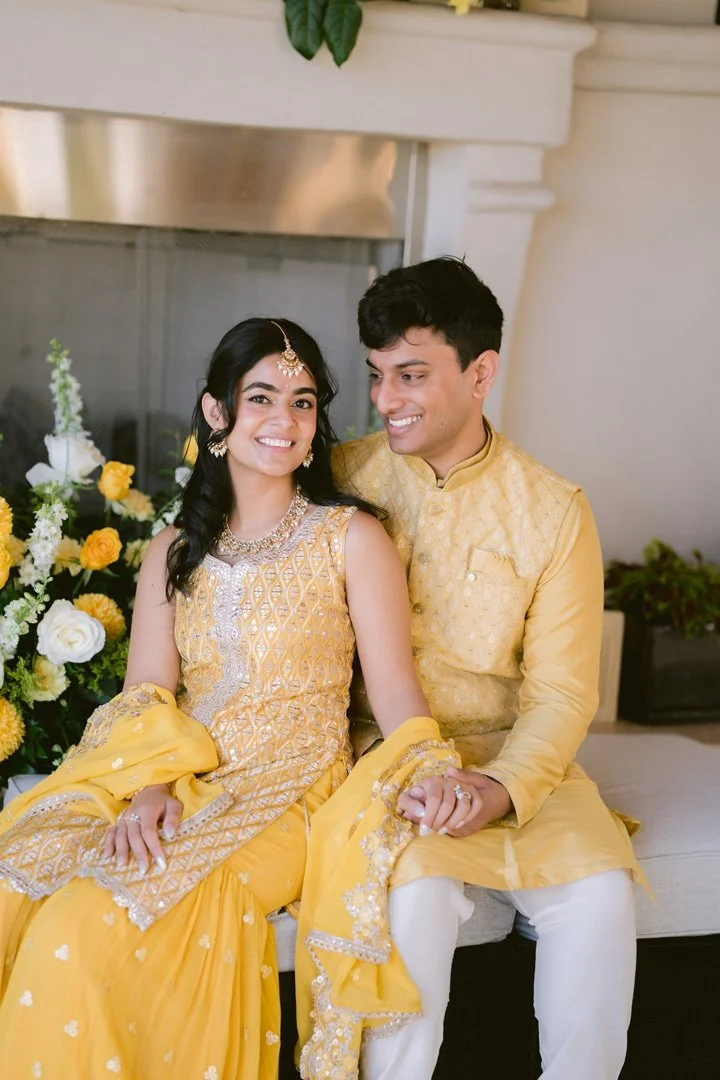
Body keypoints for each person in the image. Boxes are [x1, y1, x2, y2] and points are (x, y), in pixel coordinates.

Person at [0, 317, 453, 1079]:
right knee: (18, 875)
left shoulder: (350, 538)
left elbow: (398, 692)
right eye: (262, 397)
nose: (285, 420)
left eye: (303, 402)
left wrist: (434, 770)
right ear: (217, 411)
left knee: (88, 917)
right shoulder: (175, 549)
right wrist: (147, 787)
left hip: (290, 787)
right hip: (176, 774)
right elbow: (145, 694)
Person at [324, 257, 644, 1080]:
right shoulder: (340, 481)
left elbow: (563, 690)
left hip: (518, 761)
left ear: (480, 373)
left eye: (410, 375)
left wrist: (501, 788)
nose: (385, 398)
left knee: (602, 896)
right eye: (376, 375)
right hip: (387, 759)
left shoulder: (554, 510)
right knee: (417, 895)